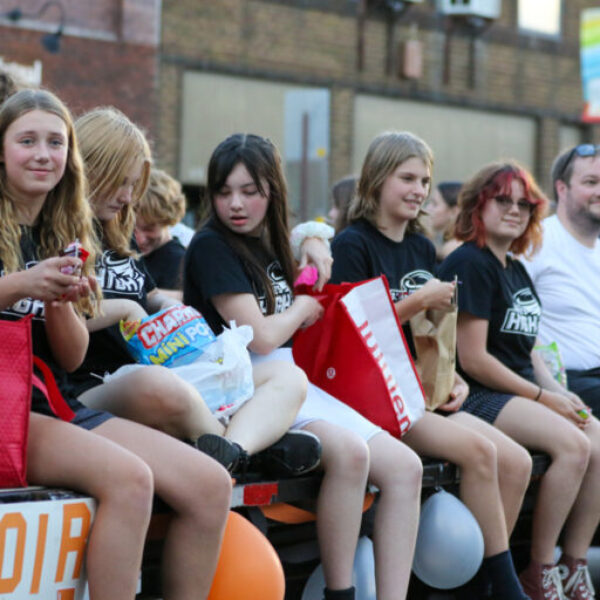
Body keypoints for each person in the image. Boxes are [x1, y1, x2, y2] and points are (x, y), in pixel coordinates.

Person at [0, 88, 232, 599]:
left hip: (52, 401)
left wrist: (62, 303)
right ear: (2, 149)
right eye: (28, 140)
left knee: (210, 484)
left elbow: (71, 357)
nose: (43, 153)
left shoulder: (65, 230)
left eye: (55, 142)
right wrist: (21, 284)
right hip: (10, 410)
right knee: (131, 480)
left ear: (70, 155)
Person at [184, 133, 424, 600]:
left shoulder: (269, 238)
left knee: (406, 468)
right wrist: (300, 307)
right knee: (353, 454)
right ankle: (342, 592)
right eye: (224, 191)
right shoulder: (212, 245)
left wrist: (313, 237)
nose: (236, 203)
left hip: (293, 380)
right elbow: (262, 335)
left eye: (250, 191)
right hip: (247, 388)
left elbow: (309, 237)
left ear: (272, 190)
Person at [330, 131, 533, 600]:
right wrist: (415, 299)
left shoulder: (422, 249)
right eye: (407, 178)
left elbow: (429, 335)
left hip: (419, 389)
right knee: (482, 454)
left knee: (517, 460)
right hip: (370, 396)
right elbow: (346, 332)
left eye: (425, 180)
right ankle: (501, 588)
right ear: (378, 179)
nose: (419, 190)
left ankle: (476, 584)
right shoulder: (352, 245)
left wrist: (453, 377)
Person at [67, 107, 318, 478]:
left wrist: (168, 305)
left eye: (133, 185)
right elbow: (51, 314)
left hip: (153, 367)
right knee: (161, 385)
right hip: (91, 386)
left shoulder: (114, 231)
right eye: (121, 183)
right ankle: (247, 460)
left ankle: (234, 451)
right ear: (92, 169)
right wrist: (122, 310)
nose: (127, 196)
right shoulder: (62, 233)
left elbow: (146, 295)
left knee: (287, 376)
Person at [438, 160, 600, 600]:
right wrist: (543, 397)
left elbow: (527, 347)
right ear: (478, 205)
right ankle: (538, 569)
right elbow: (473, 358)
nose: (515, 210)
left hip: (520, 387)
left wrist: (560, 393)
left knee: (596, 435)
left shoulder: (514, 267)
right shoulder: (469, 262)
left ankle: (573, 563)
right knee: (574, 445)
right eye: (503, 200)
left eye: (525, 204)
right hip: (477, 393)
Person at [522, 144, 600, 414]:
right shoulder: (534, 243)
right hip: (566, 383)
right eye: (591, 182)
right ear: (562, 188)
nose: (599, 191)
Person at [134, 167, 187, 294]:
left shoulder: (178, 263)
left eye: (149, 228)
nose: (139, 239)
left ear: (167, 221)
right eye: (131, 229)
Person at [425, 180, 462, 260]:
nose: (428, 208)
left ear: (454, 212)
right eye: (429, 203)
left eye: (435, 204)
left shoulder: (453, 248)